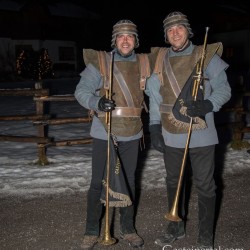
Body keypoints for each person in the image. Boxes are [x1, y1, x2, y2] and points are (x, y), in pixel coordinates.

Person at [145, 11, 231, 249]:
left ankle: (205, 237)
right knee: (174, 181)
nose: (175, 33)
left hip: (202, 132)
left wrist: (208, 104)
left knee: (205, 184)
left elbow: (224, 90)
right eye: (170, 30)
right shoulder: (159, 59)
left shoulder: (205, 55)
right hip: (170, 132)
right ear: (166, 35)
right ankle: (175, 227)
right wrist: (154, 126)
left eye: (179, 28)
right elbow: (155, 98)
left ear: (187, 31)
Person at [74, 19, 150, 249]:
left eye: (130, 36)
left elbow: (157, 94)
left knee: (128, 181)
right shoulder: (101, 62)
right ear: (114, 40)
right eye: (120, 36)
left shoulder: (145, 63)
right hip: (104, 131)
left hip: (132, 133)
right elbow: (81, 91)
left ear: (136, 41)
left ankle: (128, 229)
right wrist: (96, 101)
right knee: (98, 182)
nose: (125, 40)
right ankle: (91, 231)